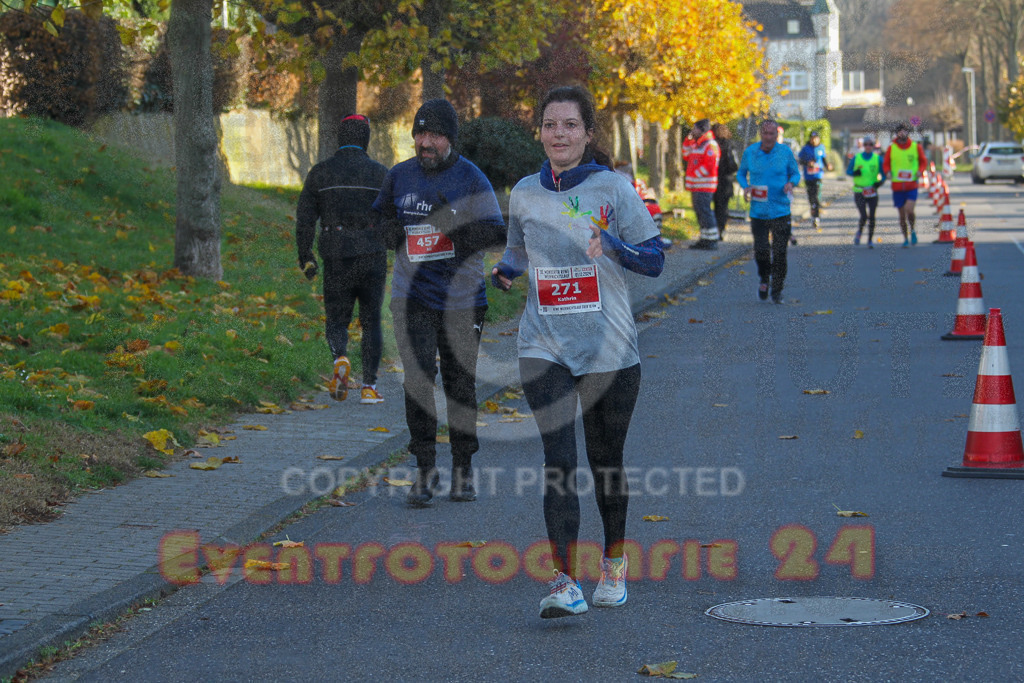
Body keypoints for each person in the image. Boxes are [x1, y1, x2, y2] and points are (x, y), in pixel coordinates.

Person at [491, 85, 663, 619]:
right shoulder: (523, 191)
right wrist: (501, 274)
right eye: (549, 125)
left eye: (569, 125)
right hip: (543, 345)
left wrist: (614, 245)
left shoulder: (613, 189)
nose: (558, 134)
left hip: (609, 348)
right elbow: (520, 250)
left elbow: (655, 260)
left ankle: (613, 562)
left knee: (605, 462)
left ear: (589, 134)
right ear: (538, 131)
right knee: (559, 464)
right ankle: (564, 581)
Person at [372, 99, 506, 507]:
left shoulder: (471, 178)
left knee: (460, 386)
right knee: (418, 383)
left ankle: (463, 469)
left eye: (434, 135)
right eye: (419, 134)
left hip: (462, 302)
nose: (425, 142)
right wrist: (397, 235)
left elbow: (495, 232)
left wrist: (452, 233)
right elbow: (379, 220)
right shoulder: (399, 176)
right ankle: (425, 470)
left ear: (450, 139)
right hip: (411, 299)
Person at [296, 114, 389, 404]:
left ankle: (340, 357)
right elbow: (394, 218)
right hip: (372, 255)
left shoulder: (320, 173)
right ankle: (370, 387)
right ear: (366, 139)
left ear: (340, 138)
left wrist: (305, 255)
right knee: (371, 320)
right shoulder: (381, 174)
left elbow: (305, 218)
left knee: (337, 319)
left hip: (336, 255)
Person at [737, 120, 801, 304]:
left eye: (772, 134)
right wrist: (745, 187)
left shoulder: (785, 152)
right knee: (761, 251)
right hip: (759, 211)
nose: (768, 137)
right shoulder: (750, 152)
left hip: (781, 209)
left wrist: (791, 183)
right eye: (765, 133)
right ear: (760, 134)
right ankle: (765, 278)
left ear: (776, 135)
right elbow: (741, 173)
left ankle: (777, 290)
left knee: (780, 252)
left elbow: (795, 174)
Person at [882, 121, 928, 247]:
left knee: (909, 210)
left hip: (911, 185)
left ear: (908, 133)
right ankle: (905, 237)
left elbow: (923, 161)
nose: (902, 133)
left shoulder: (915, 147)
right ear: (897, 133)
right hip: (897, 186)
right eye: (900, 131)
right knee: (902, 215)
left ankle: (912, 230)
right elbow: (886, 164)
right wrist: (888, 172)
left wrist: (920, 171)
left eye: (905, 131)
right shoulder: (892, 148)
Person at [682, 118, 720, 249]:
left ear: (702, 129)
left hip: (704, 185)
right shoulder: (697, 144)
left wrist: (695, 175)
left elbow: (710, 165)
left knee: (705, 211)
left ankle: (712, 240)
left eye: (695, 128)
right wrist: (688, 139)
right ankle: (705, 238)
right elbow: (686, 155)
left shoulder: (710, 145)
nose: (693, 130)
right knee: (700, 212)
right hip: (697, 185)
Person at [845, 135, 885, 247]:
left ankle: (870, 240)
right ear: (863, 146)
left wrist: (880, 182)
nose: (868, 146)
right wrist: (855, 173)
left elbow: (884, 174)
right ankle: (859, 232)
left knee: (872, 216)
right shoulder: (857, 158)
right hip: (859, 191)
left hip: (872, 191)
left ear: (873, 146)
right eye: (866, 144)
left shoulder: (877, 159)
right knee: (864, 216)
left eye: (870, 144)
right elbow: (848, 171)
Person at [797, 130, 833, 230]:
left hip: (818, 176)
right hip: (808, 177)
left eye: (816, 138)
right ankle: (814, 215)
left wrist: (828, 166)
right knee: (811, 198)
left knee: (816, 197)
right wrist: (808, 163)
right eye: (812, 138)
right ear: (810, 139)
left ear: (819, 139)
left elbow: (824, 159)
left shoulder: (821, 148)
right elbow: (800, 160)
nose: (814, 140)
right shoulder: (805, 149)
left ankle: (816, 217)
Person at [712, 123, 739, 241]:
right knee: (723, 207)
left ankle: (715, 229)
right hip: (726, 180)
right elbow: (735, 165)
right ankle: (721, 229)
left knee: (716, 206)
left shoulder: (712, 145)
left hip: (714, 179)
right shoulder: (730, 144)